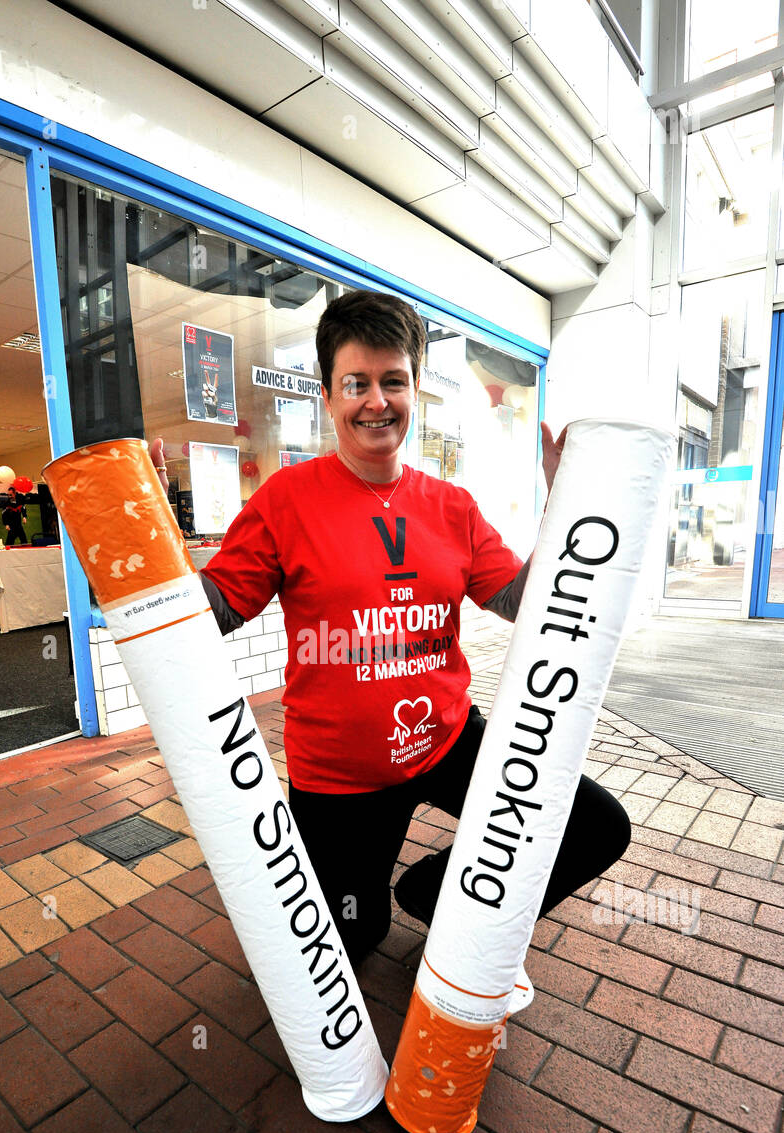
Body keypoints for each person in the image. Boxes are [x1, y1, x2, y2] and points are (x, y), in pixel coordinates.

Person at [151, 289, 629, 964]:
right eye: (357, 383)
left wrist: (569, 510)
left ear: (415, 390)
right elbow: (216, 614)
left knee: (596, 827)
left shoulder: (452, 507)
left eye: (393, 381)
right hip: (339, 779)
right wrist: (146, 541)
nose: (376, 401)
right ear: (328, 395)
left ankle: (441, 898)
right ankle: (378, 903)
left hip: (447, 742)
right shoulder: (286, 500)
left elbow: (527, 600)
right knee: (353, 935)